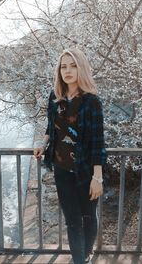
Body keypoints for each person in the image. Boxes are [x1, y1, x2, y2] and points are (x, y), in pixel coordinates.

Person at [34, 48, 107, 264]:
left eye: (73, 65)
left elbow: (97, 141)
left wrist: (98, 177)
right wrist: (43, 143)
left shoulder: (91, 101)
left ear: (81, 68)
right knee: (72, 221)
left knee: (87, 217)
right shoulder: (54, 97)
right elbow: (51, 126)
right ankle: (79, 261)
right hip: (61, 168)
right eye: (63, 66)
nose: (67, 70)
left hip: (85, 171)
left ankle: (86, 254)